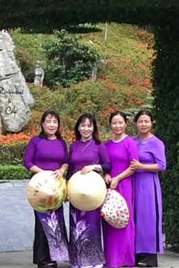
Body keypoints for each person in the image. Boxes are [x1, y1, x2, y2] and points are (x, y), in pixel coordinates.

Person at [24, 110, 70, 268]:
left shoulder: (62, 142)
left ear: (58, 125)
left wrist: (62, 170)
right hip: (40, 187)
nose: (51, 125)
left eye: (54, 122)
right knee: (42, 222)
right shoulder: (35, 141)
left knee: (56, 221)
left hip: (56, 188)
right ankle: (42, 259)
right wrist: (43, 173)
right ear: (42, 124)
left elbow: (66, 161)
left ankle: (55, 256)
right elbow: (28, 162)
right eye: (48, 121)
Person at [68, 113, 111, 268]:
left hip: (93, 192)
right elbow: (70, 169)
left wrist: (93, 166)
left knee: (91, 225)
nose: (86, 129)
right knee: (75, 225)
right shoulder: (73, 146)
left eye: (89, 126)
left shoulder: (99, 145)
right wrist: (67, 189)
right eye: (83, 125)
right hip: (76, 191)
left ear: (93, 128)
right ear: (78, 127)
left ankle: (94, 260)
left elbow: (107, 165)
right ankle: (77, 260)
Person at [129, 110, 166, 267]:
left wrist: (141, 166)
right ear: (136, 123)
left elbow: (161, 165)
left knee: (147, 219)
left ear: (152, 123)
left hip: (148, 184)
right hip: (133, 183)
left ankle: (149, 256)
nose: (143, 124)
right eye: (140, 121)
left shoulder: (156, 143)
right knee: (134, 218)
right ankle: (135, 253)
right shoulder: (133, 141)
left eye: (146, 121)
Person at [103, 111, 138, 268]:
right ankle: (111, 259)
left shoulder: (130, 143)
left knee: (123, 220)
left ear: (125, 124)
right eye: (114, 123)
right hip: (109, 188)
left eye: (120, 123)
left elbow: (133, 166)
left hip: (124, 185)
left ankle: (125, 259)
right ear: (110, 125)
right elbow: (104, 165)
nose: (117, 126)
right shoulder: (106, 145)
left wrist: (118, 178)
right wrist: (106, 175)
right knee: (109, 219)